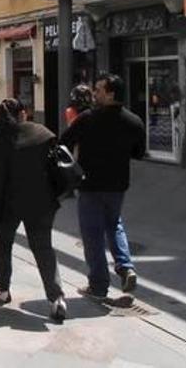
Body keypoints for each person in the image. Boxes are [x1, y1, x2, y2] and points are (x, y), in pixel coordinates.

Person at [61, 74, 145, 299]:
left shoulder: (87, 118)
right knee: (114, 224)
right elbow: (139, 153)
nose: (94, 93)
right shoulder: (134, 121)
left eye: (98, 90)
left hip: (90, 184)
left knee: (92, 234)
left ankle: (99, 285)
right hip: (117, 184)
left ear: (110, 93)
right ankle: (125, 266)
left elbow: (64, 143)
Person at [0, 98, 67, 321]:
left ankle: (2, 288)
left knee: (2, 243)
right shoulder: (42, 134)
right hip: (42, 202)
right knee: (43, 248)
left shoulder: (0, 143)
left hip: (10, 204)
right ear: (23, 113)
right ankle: (56, 297)